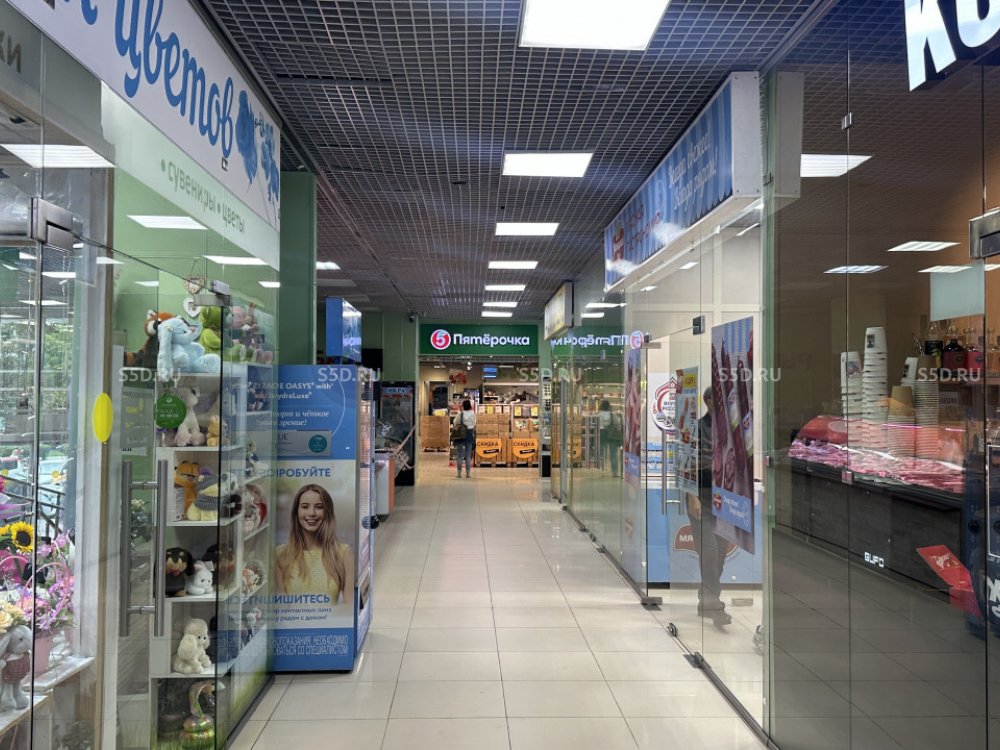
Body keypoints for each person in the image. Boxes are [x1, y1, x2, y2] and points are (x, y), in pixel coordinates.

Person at [687, 387, 731, 625]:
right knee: (710, 553)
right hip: (701, 499)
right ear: (709, 402)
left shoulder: (730, 430)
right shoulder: (695, 428)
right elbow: (685, 464)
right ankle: (714, 605)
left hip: (724, 501)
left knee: (720, 555)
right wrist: (691, 496)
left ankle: (705, 601)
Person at [276, 484, 354, 604]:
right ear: (297, 512)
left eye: (319, 507)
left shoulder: (343, 553)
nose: (311, 513)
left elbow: (350, 607)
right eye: (305, 507)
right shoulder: (279, 555)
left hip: (331, 617)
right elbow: (279, 607)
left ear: (327, 512)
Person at [597, 399, 622, 477]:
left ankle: (602, 470)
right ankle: (615, 471)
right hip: (612, 435)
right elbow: (617, 423)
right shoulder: (613, 415)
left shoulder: (599, 415)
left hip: (602, 434)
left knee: (602, 452)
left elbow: (597, 424)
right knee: (613, 453)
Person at [453, 399, 477, 478]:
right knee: (468, 455)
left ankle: (459, 473)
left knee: (459, 454)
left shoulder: (460, 414)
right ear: (470, 406)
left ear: (463, 406)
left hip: (460, 434)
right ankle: (468, 473)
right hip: (469, 433)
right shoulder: (472, 414)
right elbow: (474, 424)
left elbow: (455, 422)